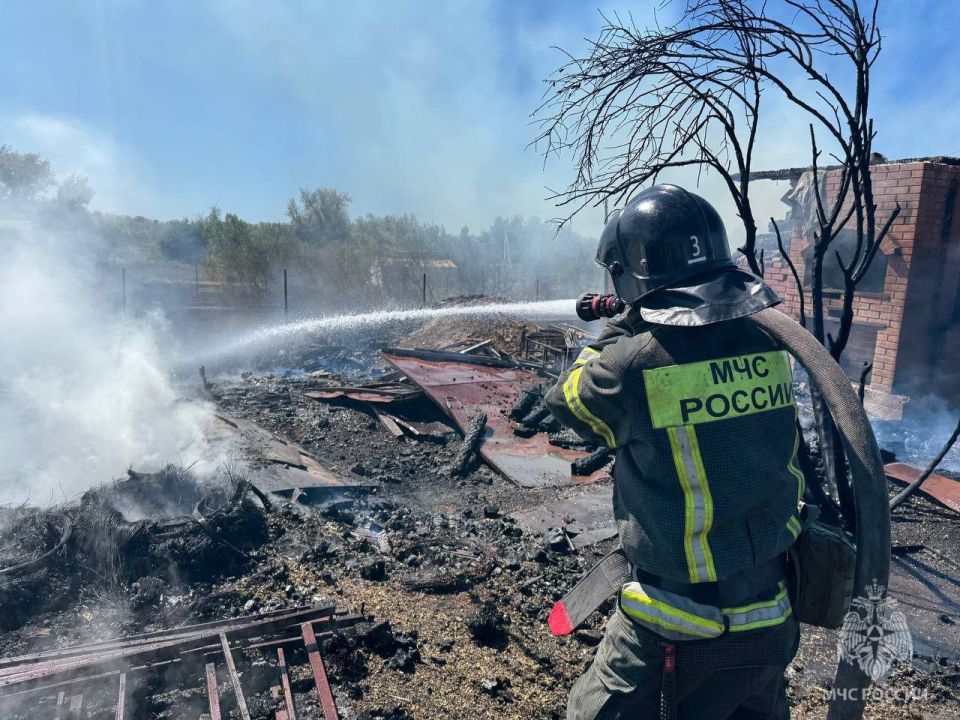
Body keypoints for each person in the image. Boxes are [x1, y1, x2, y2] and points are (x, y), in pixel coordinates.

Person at [544, 184, 803, 720]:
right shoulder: (773, 345)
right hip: (773, 617)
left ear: (629, 276)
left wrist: (620, 325)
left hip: (673, 625)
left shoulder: (631, 366)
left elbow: (567, 402)